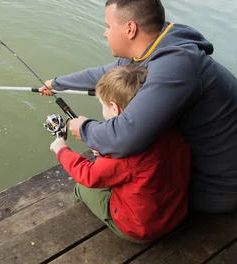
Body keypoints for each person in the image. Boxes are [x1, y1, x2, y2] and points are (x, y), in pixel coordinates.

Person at [40, 0, 237, 214]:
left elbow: (124, 137)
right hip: (225, 175)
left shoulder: (175, 68)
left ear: (130, 29)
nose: (105, 33)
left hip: (221, 190)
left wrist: (84, 128)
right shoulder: (161, 47)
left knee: (110, 185)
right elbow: (103, 74)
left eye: (108, 27)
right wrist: (56, 83)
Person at [50, 65, 190, 242]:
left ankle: (80, 226)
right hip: (175, 212)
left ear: (114, 108)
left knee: (81, 188)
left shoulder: (125, 150)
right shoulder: (169, 129)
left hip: (141, 228)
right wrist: (102, 150)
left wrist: (61, 149)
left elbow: (89, 175)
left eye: (103, 105)